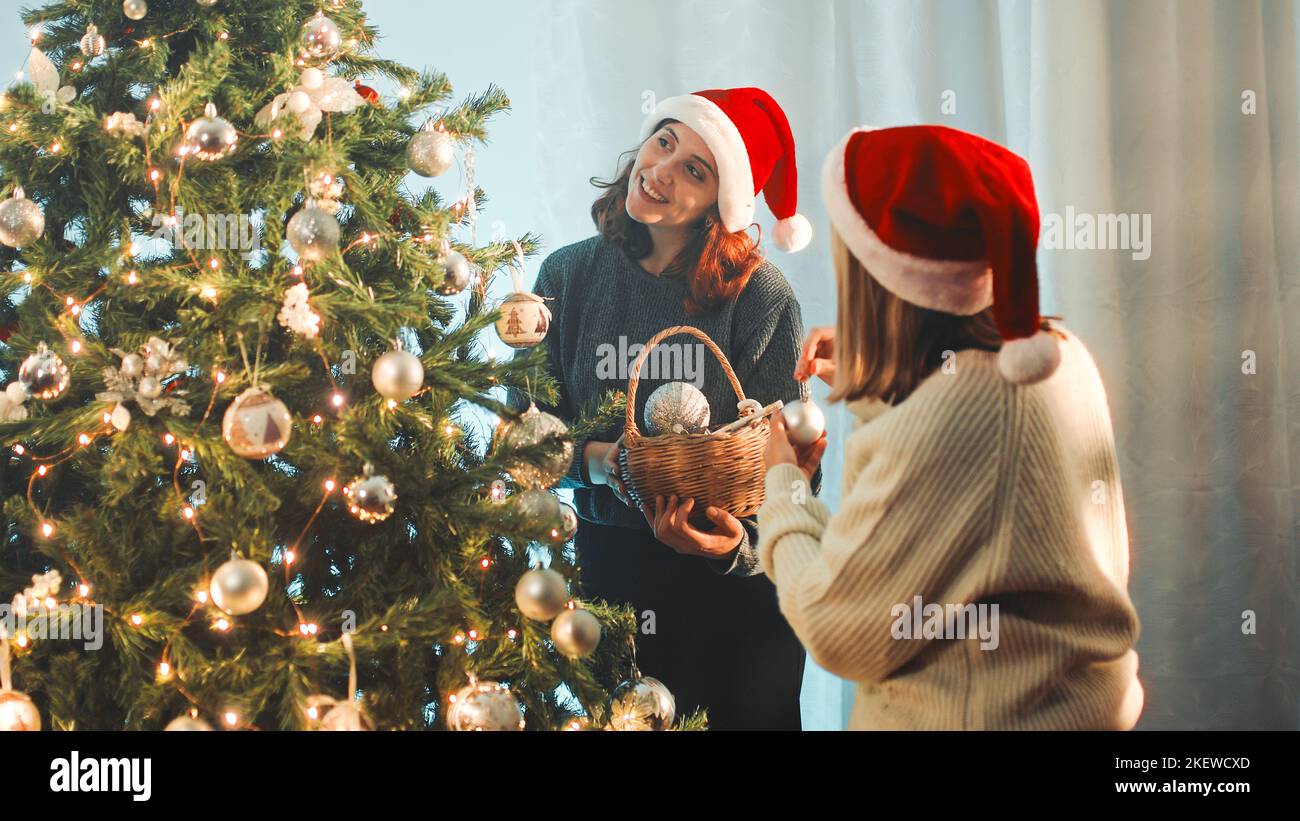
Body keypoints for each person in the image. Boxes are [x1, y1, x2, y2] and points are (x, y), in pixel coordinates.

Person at [759, 125, 1145, 730]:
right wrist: (885, 381)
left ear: (882, 272)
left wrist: (780, 489)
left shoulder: (961, 406)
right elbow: (973, 515)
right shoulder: (1057, 354)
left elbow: (837, 625)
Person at [528, 88, 820, 730]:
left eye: (696, 169)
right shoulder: (567, 276)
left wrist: (727, 548)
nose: (660, 171)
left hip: (736, 595)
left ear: (724, 200)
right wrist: (606, 466)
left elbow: (794, 477)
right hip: (611, 577)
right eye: (665, 142)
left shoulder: (761, 297)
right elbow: (527, 438)